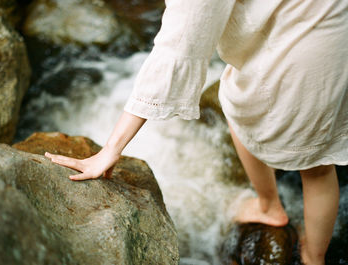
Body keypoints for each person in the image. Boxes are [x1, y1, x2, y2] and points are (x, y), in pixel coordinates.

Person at [45, 0, 348, 264]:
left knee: (316, 164)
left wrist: (111, 148)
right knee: (239, 101)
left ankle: (311, 256)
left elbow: (179, 48)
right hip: (324, 18)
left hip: (312, 35)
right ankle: (271, 208)